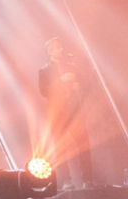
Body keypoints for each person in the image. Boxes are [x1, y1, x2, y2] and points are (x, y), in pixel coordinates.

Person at [39, 37, 93, 188]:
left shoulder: (72, 67)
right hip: (58, 112)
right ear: (50, 52)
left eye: (61, 47)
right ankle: (65, 181)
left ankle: (87, 180)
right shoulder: (44, 70)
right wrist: (61, 80)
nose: (61, 50)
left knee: (83, 144)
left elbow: (85, 85)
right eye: (57, 48)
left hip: (75, 110)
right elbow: (44, 91)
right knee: (60, 146)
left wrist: (78, 86)